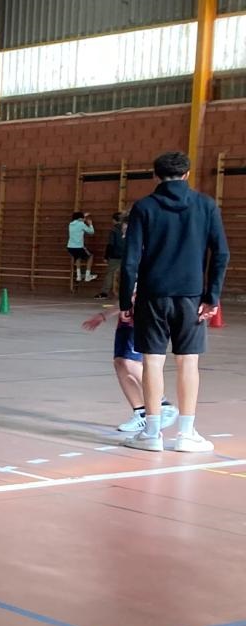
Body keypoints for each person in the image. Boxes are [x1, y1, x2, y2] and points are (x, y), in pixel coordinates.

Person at [119, 152, 229, 453]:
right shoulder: (206, 205)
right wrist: (212, 296)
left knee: (152, 361)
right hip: (191, 296)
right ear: (187, 174)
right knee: (188, 361)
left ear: (155, 175)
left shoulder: (144, 207)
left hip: (152, 295)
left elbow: (130, 260)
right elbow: (221, 253)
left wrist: (126, 300)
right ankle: (186, 434)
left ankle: (152, 433)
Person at [83, 304, 174, 434]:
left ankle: (163, 404)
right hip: (126, 320)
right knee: (120, 362)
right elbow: (126, 296)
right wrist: (105, 315)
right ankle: (140, 412)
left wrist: (105, 315)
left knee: (130, 362)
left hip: (143, 316)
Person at [98, 211, 126, 298]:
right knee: (125, 274)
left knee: (110, 273)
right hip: (127, 255)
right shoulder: (129, 228)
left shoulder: (114, 230)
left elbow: (111, 244)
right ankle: (125, 292)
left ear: (114, 220)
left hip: (115, 255)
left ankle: (104, 292)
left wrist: (106, 256)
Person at [66, 211, 95, 284]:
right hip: (78, 246)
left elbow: (79, 219)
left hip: (70, 247)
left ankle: (78, 276)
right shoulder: (81, 224)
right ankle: (87, 276)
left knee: (77, 258)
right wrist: (90, 224)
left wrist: (84, 216)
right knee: (90, 256)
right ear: (80, 218)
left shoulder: (70, 224)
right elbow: (91, 232)